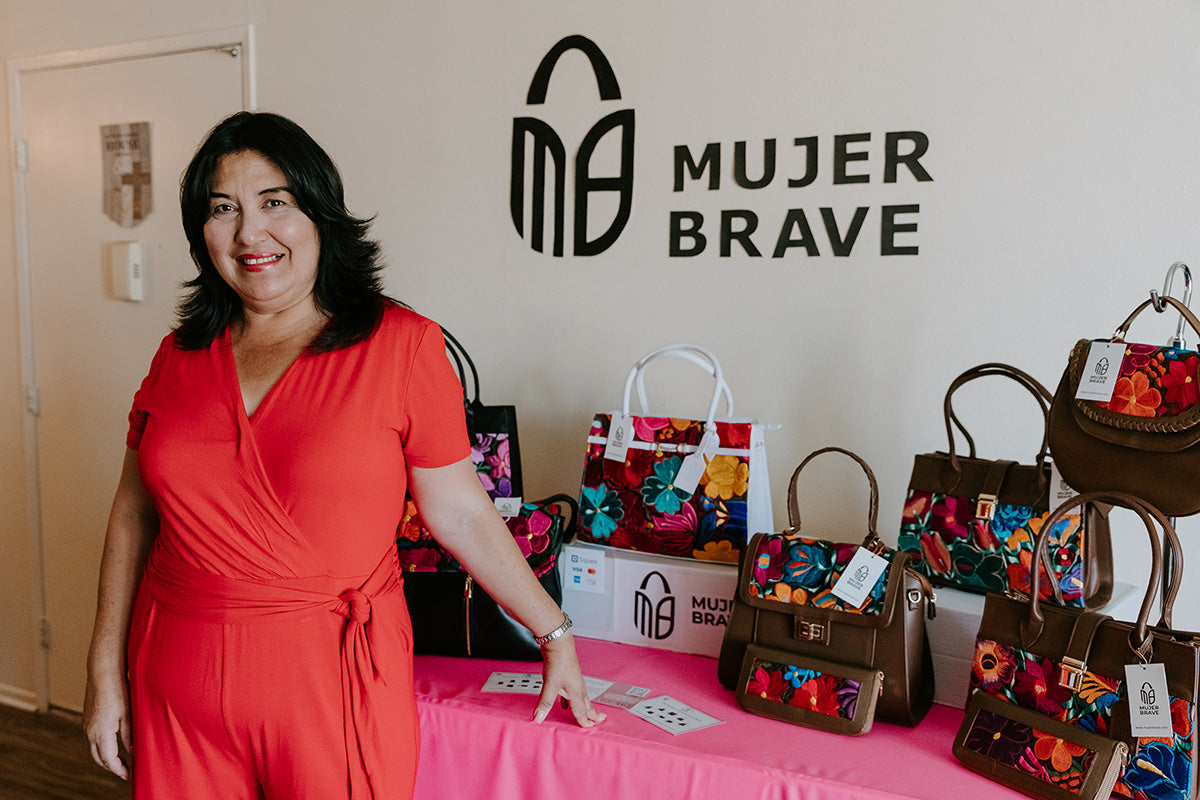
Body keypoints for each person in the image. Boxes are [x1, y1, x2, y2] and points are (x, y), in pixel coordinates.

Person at [83, 110, 604, 800]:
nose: (249, 233)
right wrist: (103, 674)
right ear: (198, 230)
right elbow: (131, 518)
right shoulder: (177, 358)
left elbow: (459, 512)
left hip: (332, 684)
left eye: (275, 203)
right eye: (222, 209)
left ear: (321, 215)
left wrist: (553, 631)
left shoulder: (403, 346)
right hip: (177, 688)